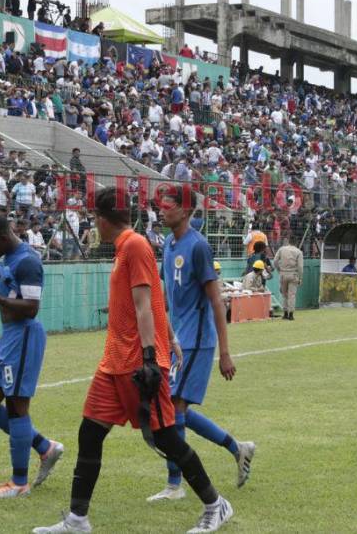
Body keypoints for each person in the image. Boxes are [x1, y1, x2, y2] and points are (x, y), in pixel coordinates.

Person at [32, 187, 233, 534]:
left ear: (102, 218)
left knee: (167, 438)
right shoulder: (127, 248)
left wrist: (152, 357)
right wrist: (169, 336)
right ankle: (78, 520)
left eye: (94, 217)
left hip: (137, 362)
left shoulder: (135, 245)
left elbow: (144, 305)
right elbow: (154, 296)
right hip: (113, 363)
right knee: (89, 433)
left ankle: (216, 505)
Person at [147, 183, 254, 502]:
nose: (162, 209)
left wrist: (225, 352)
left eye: (168, 205)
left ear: (185, 210)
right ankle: (238, 448)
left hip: (197, 340)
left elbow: (216, 301)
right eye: (162, 204)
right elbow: (167, 295)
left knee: (174, 408)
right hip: (178, 338)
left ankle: (174, 484)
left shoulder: (198, 246)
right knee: (175, 408)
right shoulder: (168, 244)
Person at [0, 213, 64, 499]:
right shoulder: (7, 261)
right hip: (8, 337)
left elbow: (31, 307)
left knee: (16, 406)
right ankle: (44, 447)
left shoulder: (28, 261)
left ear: (2, 238)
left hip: (24, 335)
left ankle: (19, 483)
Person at [272, 237, 303, 321]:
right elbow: (300, 267)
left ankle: (285, 313)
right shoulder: (298, 252)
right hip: (293, 274)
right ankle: (291, 314)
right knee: (292, 295)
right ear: (296, 243)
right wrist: (300, 277)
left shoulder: (282, 249)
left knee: (284, 295)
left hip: (283, 274)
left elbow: (275, 261)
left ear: (288, 242)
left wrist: (279, 269)